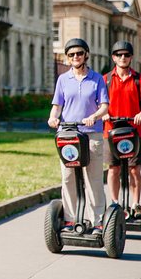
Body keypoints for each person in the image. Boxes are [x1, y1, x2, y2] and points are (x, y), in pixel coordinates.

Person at [47, 38, 108, 235]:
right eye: (71, 54)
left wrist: (94, 116)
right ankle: (70, 219)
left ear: (86, 55)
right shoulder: (63, 79)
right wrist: (53, 119)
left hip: (91, 135)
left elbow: (104, 105)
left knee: (93, 179)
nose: (75, 57)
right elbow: (57, 106)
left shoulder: (97, 78)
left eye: (79, 53)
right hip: (68, 135)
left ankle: (97, 221)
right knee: (67, 178)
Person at [102, 40, 141, 218]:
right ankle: (115, 203)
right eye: (119, 55)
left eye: (126, 55)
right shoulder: (106, 79)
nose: (122, 57)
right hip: (110, 131)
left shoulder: (139, 79)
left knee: (134, 170)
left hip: (133, 131)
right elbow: (99, 103)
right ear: (113, 57)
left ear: (131, 57)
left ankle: (136, 204)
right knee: (113, 169)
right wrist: (103, 113)